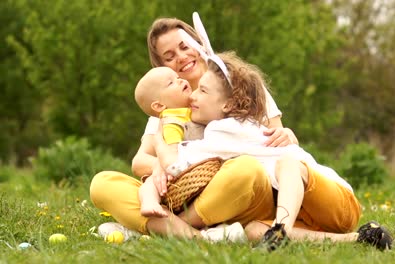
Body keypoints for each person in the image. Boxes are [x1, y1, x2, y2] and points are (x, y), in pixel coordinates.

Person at [154, 51, 392, 251]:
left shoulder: (225, 129)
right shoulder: (228, 129)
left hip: (336, 202)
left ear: (227, 104)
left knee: (288, 163)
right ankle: (359, 239)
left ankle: (281, 231)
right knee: (254, 231)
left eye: (202, 91)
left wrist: (159, 131)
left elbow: (175, 163)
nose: (193, 95)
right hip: (308, 216)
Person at [90, 16, 296, 242]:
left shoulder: (242, 85)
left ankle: (162, 228)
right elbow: (139, 162)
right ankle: (202, 237)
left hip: (236, 192)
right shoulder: (168, 108)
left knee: (246, 169)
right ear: (163, 68)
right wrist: (165, 163)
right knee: (102, 184)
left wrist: (287, 135)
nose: (181, 57)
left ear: (199, 45)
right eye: (169, 57)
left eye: (184, 46)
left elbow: (283, 143)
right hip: (185, 195)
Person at [134, 66, 204, 218]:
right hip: (176, 170)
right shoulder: (172, 119)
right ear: (159, 106)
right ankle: (150, 203)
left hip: (196, 173)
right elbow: (173, 147)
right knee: (152, 183)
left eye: (177, 77)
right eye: (171, 83)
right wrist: (167, 164)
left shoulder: (193, 109)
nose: (180, 81)